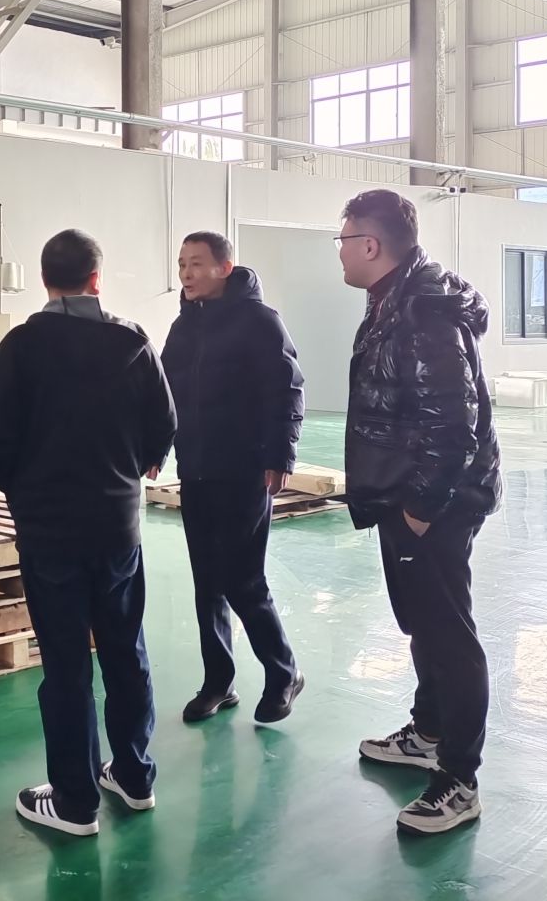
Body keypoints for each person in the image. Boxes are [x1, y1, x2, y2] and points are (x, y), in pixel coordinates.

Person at [0, 229, 177, 838]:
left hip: (50, 531)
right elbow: (164, 423)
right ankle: (135, 777)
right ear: (96, 280)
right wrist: (133, 467)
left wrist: (23, 489)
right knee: (125, 651)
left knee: (65, 665)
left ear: (44, 280)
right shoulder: (132, 342)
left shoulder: (21, 346)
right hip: (117, 527)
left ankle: (74, 802)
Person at [336, 190, 500, 837]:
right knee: (424, 626)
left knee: (448, 635)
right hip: (404, 494)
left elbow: (454, 422)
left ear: (370, 245)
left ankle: (459, 779)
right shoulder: (394, 301)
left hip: (432, 501)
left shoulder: (424, 311)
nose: (340, 253)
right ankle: (428, 732)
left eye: (344, 240)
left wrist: (422, 507)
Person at [161, 231, 306, 727]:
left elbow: (287, 389)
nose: (187, 273)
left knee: (243, 580)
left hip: (244, 469)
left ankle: (284, 672)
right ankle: (218, 682)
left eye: (197, 263)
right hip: (196, 469)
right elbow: (166, 393)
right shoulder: (184, 325)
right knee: (207, 582)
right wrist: (158, 446)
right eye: (182, 264)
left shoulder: (260, 321)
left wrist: (281, 454)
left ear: (225, 267)